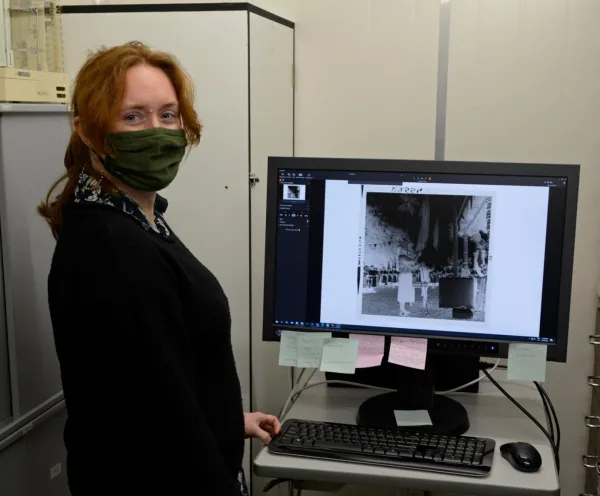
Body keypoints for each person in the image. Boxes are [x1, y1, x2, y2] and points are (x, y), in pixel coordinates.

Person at [38, 41, 280, 496]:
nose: (157, 130)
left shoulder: (134, 215)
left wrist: (227, 420)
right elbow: (161, 420)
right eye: (133, 116)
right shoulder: (113, 247)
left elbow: (157, 371)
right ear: (88, 131)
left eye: (168, 115)